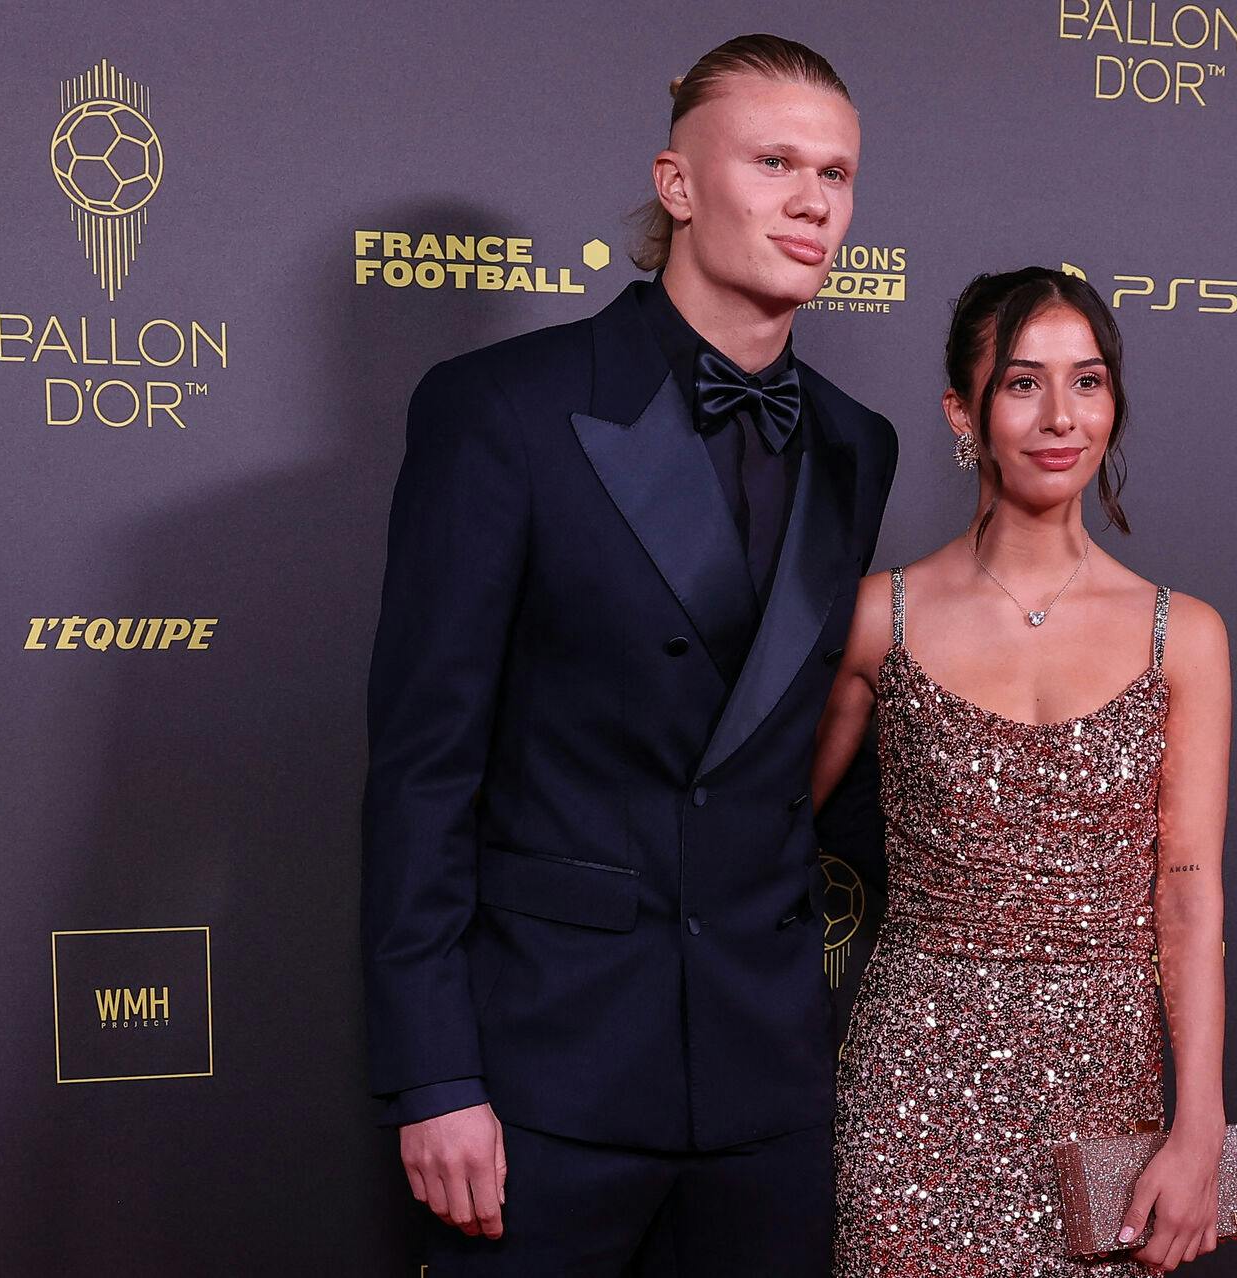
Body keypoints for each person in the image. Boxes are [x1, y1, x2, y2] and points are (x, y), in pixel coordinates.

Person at [360, 34, 897, 1276]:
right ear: (678, 186)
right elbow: (423, 770)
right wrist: (433, 1072)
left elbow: (789, 741)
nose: (815, 202)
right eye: (774, 162)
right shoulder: (502, 408)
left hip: (767, 1076)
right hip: (546, 1070)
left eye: (838, 172)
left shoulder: (857, 444)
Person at [812, 267, 1232, 1275]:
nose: (1059, 417)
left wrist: (1200, 1132)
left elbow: (1188, 896)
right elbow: (754, 828)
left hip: (1110, 1088)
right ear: (962, 411)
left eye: (1087, 382)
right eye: (1020, 383)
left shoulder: (1188, 636)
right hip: (910, 1091)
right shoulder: (880, 616)